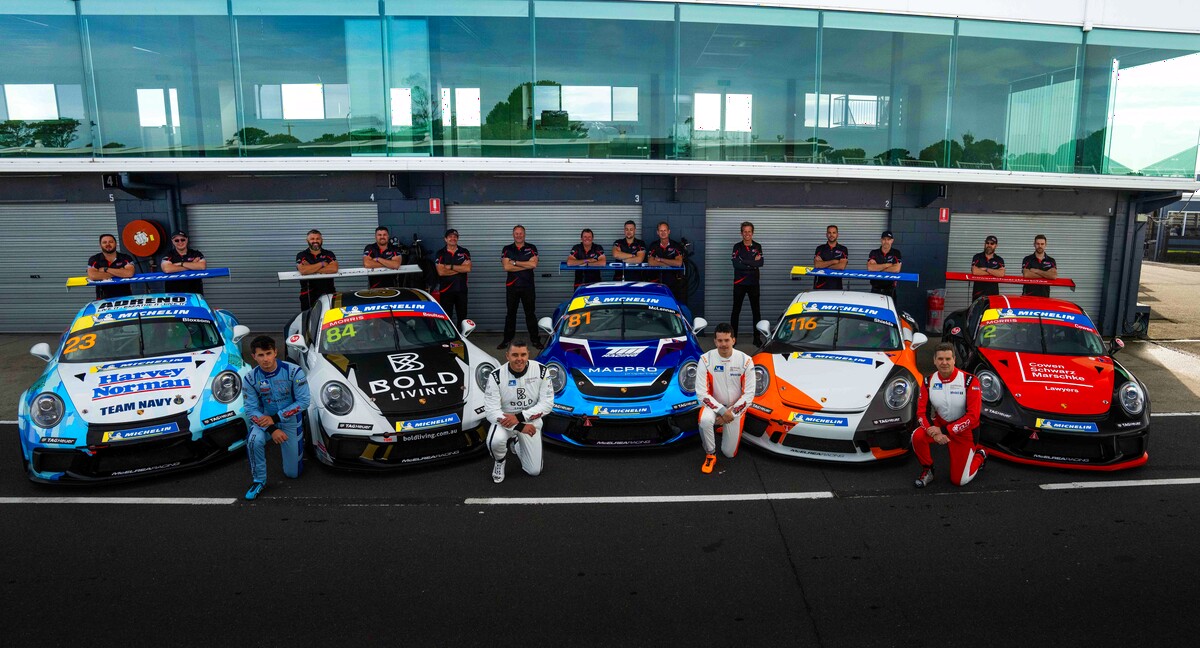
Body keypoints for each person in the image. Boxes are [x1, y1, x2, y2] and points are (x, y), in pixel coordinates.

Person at [242, 335, 310, 500]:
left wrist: (277, 418)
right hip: (264, 421)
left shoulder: (294, 371)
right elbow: (250, 409)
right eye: (261, 355)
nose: (265, 359)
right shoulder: (250, 378)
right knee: (253, 440)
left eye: (268, 353)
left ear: (275, 352)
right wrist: (272, 429)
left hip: (289, 421)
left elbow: (304, 401)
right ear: (254, 356)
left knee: (292, 474)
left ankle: (299, 443)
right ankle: (259, 481)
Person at [911, 343, 986, 488]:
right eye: (940, 359)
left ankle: (980, 455)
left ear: (954, 360)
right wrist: (934, 433)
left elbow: (973, 417)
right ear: (934, 360)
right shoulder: (928, 381)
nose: (944, 362)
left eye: (948, 359)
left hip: (965, 431)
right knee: (917, 436)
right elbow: (921, 413)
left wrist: (944, 431)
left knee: (959, 481)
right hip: (940, 425)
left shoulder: (970, 381)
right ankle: (928, 469)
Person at [484, 340, 554, 483]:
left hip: (529, 420)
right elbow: (491, 411)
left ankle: (517, 443)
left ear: (528, 354)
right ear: (507, 356)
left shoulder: (541, 371)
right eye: (515, 355)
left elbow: (547, 404)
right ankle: (499, 461)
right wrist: (519, 426)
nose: (519, 359)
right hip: (505, 420)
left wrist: (520, 417)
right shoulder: (496, 375)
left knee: (534, 471)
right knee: (495, 440)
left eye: (523, 355)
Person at [695, 323, 756, 474]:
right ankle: (710, 454)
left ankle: (724, 426)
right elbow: (701, 393)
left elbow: (749, 395)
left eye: (727, 340)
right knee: (705, 421)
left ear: (733, 340)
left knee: (729, 453)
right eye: (720, 340)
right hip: (714, 406)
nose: (723, 344)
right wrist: (722, 412)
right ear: (715, 341)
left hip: (735, 408)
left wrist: (730, 413)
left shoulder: (746, 361)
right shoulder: (705, 359)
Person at [500, 225, 541, 350]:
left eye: (521, 233)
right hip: (512, 287)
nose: (519, 235)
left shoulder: (531, 248)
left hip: (528, 287)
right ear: (513, 235)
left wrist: (514, 262)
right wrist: (525, 265)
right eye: (516, 233)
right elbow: (506, 267)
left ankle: (535, 340)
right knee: (510, 314)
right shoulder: (507, 249)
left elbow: (533, 264)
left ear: (524, 234)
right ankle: (506, 340)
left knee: (530, 314)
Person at [730, 221, 764, 345]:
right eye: (745, 231)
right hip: (739, 283)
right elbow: (736, 264)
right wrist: (752, 263)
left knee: (756, 311)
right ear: (741, 233)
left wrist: (743, 261)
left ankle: (757, 338)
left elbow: (760, 263)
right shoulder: (737, 247)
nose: (747, 234)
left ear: (752, 233)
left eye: (749, 231)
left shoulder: (758, 246)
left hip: (753, 283)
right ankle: (733, 338)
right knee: (736, 311)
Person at [434, 228, 472, 324]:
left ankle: (461, 333)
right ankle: (448, 334)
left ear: (458, 238)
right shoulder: (440, 253)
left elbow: (468, 268)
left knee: (462, 317)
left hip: (461, 290)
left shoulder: (464, 252)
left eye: (455, 237)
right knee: (446, 317)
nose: (453, 238)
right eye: (450, 237)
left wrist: (450, 267)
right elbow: (441, 272)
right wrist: (460, 269)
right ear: (445, 239)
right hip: (446, 291)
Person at [295, 229, 338, 310]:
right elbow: (303, 270)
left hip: (328, 293)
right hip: (308, 295)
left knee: (329, 317)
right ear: (307, 241)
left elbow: (334, 268)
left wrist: (310, 268)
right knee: (309, 317)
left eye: (318, 239)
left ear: (322, 240)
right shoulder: (301, 255)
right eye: (312, 239)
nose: (315, 241)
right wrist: (322, 264)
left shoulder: (329, 254)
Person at [86, 233, 136, 300]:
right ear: (100, 245)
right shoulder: (94, 259)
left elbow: (129, 273)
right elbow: (93, 276)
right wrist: (120, 272)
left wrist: (105, 269)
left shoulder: (125, 257)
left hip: (125, 298)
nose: (108, 244)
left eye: (111, 242)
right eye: (104, 242)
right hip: (103, 299)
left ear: (116, 244)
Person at [647, 221, 686, 303]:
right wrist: (669, 263)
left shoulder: (676, 246)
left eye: (665, 230)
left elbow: (678, 263)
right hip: (657, 282)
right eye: (661, 231)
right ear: (657, 232)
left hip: (673, 283)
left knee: (672, 304)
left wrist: (661, 260)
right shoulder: (654, 245)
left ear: (669, 231)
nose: (663, 233)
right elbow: (651, 262)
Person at [159, 230, 206, 294]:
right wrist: (192, 265)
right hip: (174, 294)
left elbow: (202, 266)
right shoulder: (168, 255)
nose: (180, 242)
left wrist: (180, 264)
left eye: (182, 239)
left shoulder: (196, 254)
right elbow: (167, 269)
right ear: (172, 241)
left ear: (187, 240)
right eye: (176, 240)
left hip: (195, 293)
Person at [866, 230, 902, 298]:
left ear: (892, 241)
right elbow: (870, 268)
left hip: (890, 290)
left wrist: (878, 268)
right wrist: (887, 265)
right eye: (884, 239)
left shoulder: (896, 253)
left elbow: (896, 269)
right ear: (881, 240)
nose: (886, 241)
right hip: (875, 289)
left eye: (888, 239)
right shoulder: (874, 253)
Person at [969, 235, 1005, 301]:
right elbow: (975, 271)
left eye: (992, 243)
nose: (989, 245)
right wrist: (993, 273)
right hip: (978, 294)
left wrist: (986, 269)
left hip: (993, 295)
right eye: (987, 243)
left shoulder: (999, 259)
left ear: (996, 245)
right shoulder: (977, 257)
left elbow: (1001, 274)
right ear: (984, 244)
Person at [812, 224, 848, 290]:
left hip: (837, 287)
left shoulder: (843, 249)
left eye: (834, 233)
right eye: (829, 233)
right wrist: (834, 261)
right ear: (826, 234)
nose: (831, 235)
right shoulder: (820, 248)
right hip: (820, 287)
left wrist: (824, 265)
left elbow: (841, 266)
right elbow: (817, 265)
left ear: (837, 235)